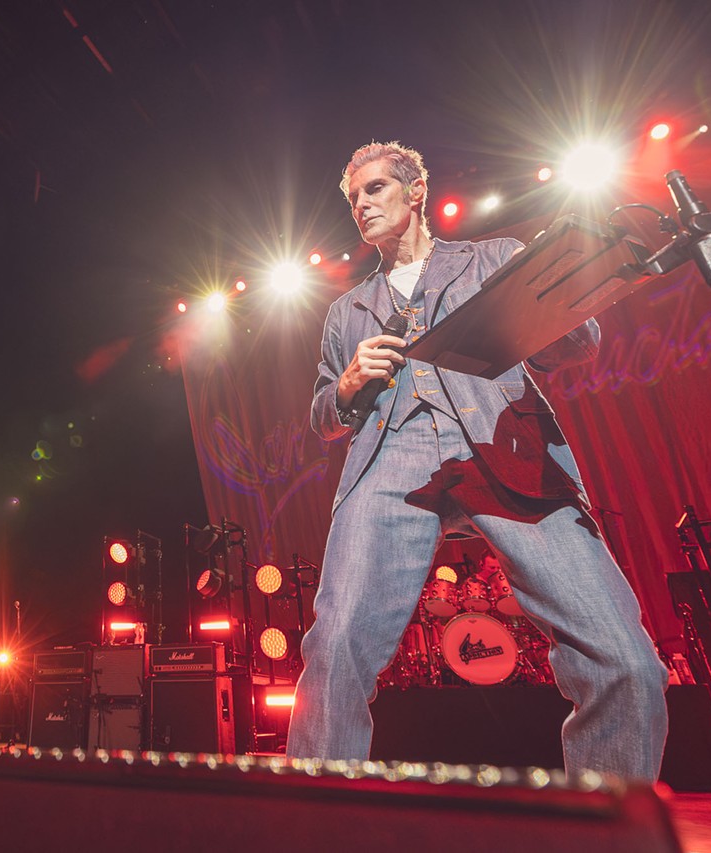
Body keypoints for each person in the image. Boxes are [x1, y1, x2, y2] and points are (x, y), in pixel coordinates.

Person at [286, 141, 668, 781]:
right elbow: (324, 414)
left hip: (502, 446)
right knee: (334, 651)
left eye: (374, 190)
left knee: (624, 659)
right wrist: (348, 385)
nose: (360, 206)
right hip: (388, 462)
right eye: (352, 199)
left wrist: (561, 282)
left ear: (415, 193)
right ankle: (314, 823)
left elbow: (578, 343)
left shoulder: (494, 259)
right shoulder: (343, 311)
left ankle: (609, 825)